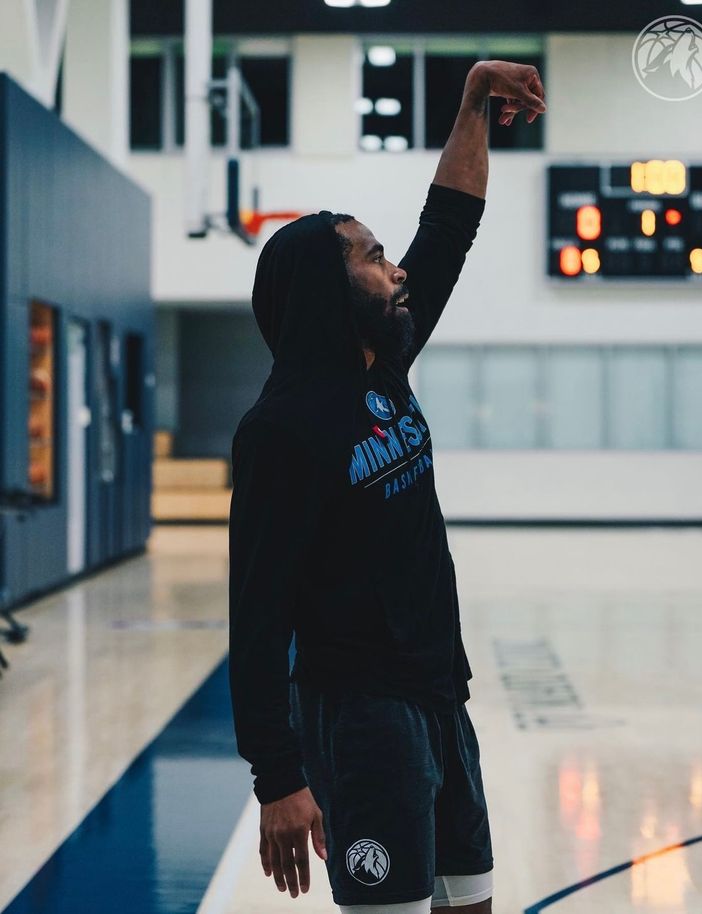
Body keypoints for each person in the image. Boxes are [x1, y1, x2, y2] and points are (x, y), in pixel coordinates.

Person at [228, 59, 546, 914]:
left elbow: (449, 227)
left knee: (471, 902)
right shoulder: (281, 430)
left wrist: (475, 97)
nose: (396, 269)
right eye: (374, 259)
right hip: (361, 719)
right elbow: (256, 616)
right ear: (331, 293)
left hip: (441, 692)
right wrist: (278, 778)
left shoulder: (388, 357)